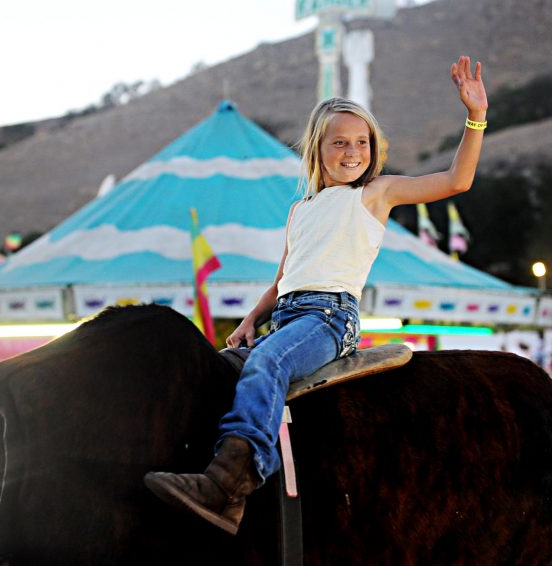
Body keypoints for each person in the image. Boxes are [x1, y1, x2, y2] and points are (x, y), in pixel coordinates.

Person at [145, 55, 488, 535]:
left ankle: (229, 486)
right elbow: (283, 278)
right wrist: (248, 321)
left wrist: (475, 117)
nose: (353, 152)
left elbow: (457, 180)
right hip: (284, 316)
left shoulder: (375, 194)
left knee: (268, 365)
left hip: (330, 318)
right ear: (317, 149)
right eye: (340, 142)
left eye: (362, 142)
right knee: (217, 371)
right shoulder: (300, 210)